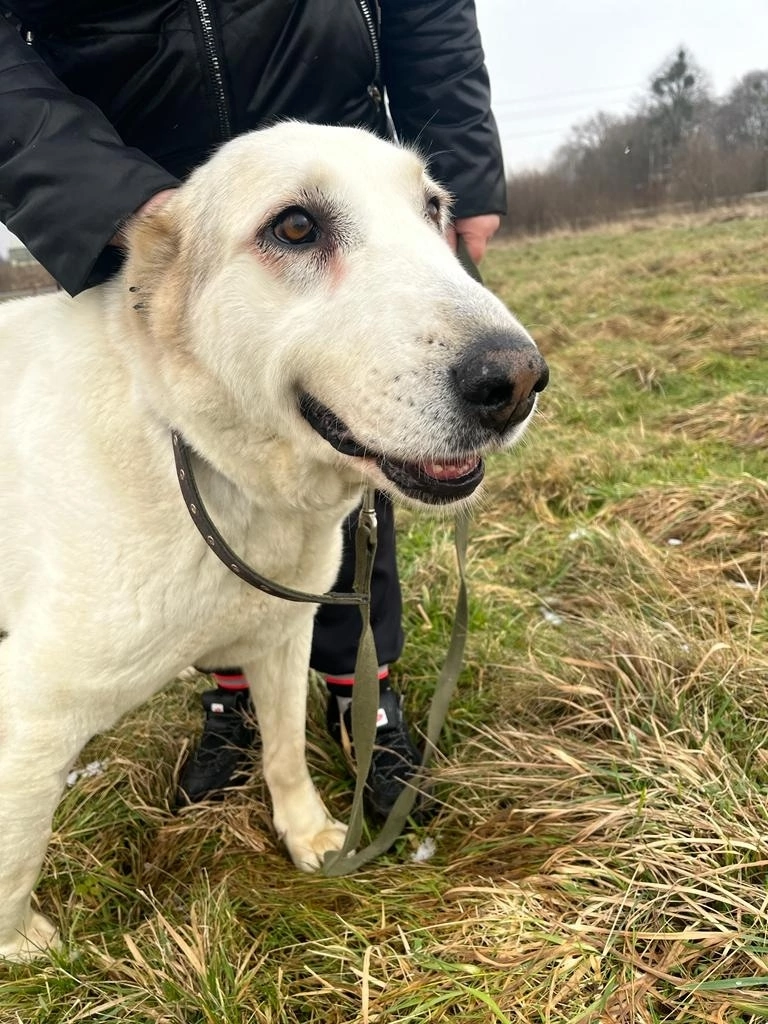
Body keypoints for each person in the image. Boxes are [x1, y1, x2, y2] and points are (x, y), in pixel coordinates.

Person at [0, 0, 505, 819]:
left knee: (349, 459)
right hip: (143, 157)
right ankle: (230, 686)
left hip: (335, 106)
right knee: (180, 477)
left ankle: (360, 686)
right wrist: (108, 193)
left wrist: (465, 175)